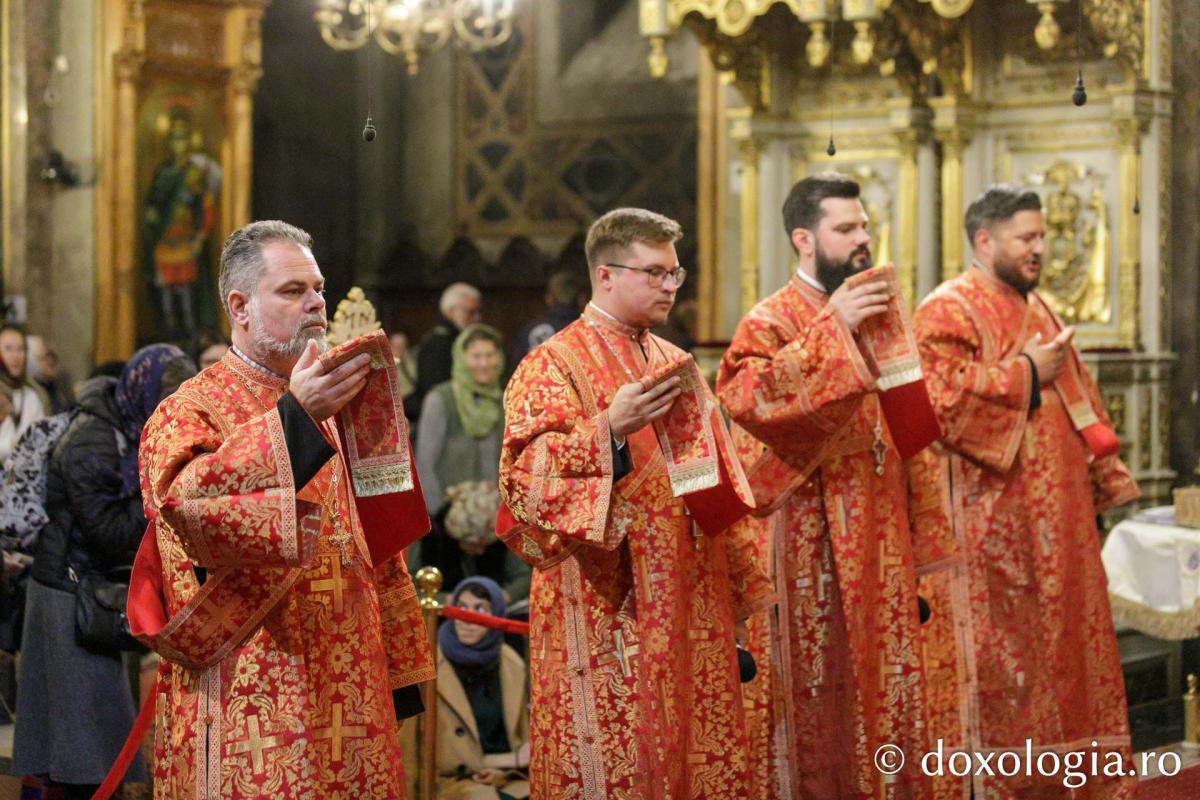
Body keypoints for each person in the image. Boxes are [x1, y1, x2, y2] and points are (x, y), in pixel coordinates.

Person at [135, 220, 433, 798]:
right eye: (293, 291)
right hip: (256, 685)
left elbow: (375, 544)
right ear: (240, 307)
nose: (317, 302)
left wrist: (398, 667)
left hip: (352, 681)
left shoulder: (335, 404)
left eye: (318, 287)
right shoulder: (188, 410)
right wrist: (293, 419)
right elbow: (188, 511)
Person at [498, 207, 772, 798]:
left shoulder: (676, 364)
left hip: (688, 597)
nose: (669, 286)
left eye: (674, 273)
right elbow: (522, 482)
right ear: (605, 275)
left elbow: (714, 481)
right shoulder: (550, 364)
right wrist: (608, 431)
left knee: (689, 755)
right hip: (603, 606)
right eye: (653, 273)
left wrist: (741, 597)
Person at [715, 172, 952, 799]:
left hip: (879, 540)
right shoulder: (768, 321)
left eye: (864, 225)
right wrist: (832, 330)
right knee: (810, 700)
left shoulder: (880, 312)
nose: (863, 238)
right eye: (846, 228)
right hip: (806, 546)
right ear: (804, 238)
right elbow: (744, 399)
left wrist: (922, 536)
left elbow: (906, 432)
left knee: (884, 691)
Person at [912, 184, 1138, 799]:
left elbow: (1076, 394)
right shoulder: (946, 309)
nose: (1039, 248)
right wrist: (1025, 373)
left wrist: (1098, 476)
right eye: (1026, 238)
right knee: (1004, 662)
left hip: (1057, 515)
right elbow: (935, 400)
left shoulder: (1038, 307)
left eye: (1042, 237)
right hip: (992, 522)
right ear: (984, 240)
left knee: (1064, 650)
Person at [12, 344, 196, 799]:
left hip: (90, 592)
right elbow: (107, 530)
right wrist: (163, 493)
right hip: (67, 597)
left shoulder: (121, 426)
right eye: (163, 402)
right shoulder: (94, 436)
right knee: (78, 749)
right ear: (143, 390)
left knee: (90, 745)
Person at [413, 324, 529, 601]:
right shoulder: (440, 399)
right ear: (462, 358)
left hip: (497, 526)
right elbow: (425, 462)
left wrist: (497, 512)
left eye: (490, 355)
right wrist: (448, 516)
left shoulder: (506, 399)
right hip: (447, 527)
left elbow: (513, 459)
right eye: (476, 356)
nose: (484, 363)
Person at [434, 576, 530, 800]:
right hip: (453, 782)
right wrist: (506, 760)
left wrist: (503, 769)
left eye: (480, 609)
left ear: (496, 615)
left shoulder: (510, 661)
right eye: (461, 608)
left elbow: (522, 738)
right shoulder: (431, 662)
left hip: (507, 778)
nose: (467, 619)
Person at [405, 282, 482, 420]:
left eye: (478, 312)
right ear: (451, 311)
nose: (477, 318)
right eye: (470, 312)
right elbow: (435, 389)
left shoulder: (461, 340)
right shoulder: (439, 344)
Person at [508, 271, 587, 368]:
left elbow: (517, 369)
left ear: (548, 299)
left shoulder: (530, 331)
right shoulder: (588, 331)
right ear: (582, 299)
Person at [0, 324, 46, 462]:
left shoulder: (34, 396)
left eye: (21, 349)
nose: (16, 356)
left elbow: (41, 441)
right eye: (8, 349)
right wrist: (9, 447)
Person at [390, 331, 417, 399]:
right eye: (395, 346)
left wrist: (404, 360)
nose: (397, 350)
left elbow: (414, 379)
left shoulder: (410, 363)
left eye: (400, 346)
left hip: (408, 399)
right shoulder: (385, 365)